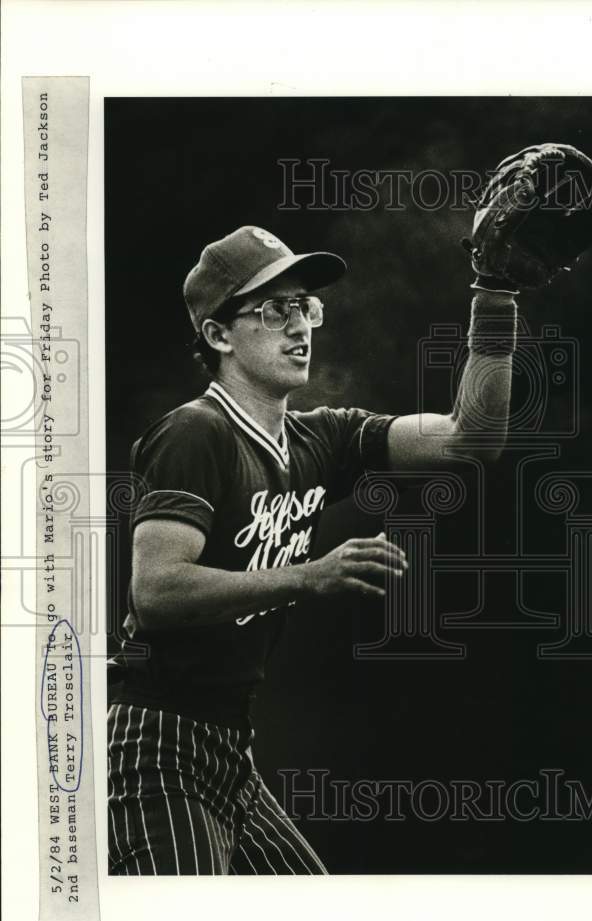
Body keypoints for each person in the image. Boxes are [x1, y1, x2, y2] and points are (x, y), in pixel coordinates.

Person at [107, 224, 517, 874]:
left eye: (305, 306)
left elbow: (474, 438)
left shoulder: (321, 440)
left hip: (230, 753)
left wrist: (493, 293)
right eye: (273, 309)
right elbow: (156, 592)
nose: (298, 326)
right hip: (159, 746)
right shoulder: (195, 434)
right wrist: (310, 574)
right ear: (217, 336)